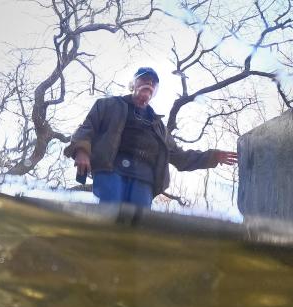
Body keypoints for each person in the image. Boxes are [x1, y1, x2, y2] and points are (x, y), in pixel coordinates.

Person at [64, 66, 238, 207]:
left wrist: (213, 157)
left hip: (144, 178)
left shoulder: (159, 127)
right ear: (133, 84)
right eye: (144, 78)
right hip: (111, 168)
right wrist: (81, 151)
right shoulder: (108, 105)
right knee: (111, 208)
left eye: (154, 82)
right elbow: (87, 128)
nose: (149, 82)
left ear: (155, 91)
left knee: (138, 221)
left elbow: (181, 157)